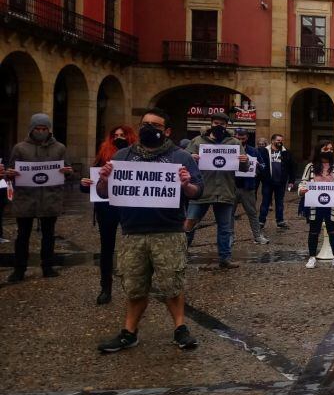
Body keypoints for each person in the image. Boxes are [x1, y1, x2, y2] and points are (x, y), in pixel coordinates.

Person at [95, 108, 204, 353]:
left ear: (166, 131)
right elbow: (103, 193)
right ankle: (129, 332)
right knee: (134, 286)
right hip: (133, 232)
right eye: (145, 124)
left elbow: (199, 191)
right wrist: (104, 179)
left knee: (172, 284)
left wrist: (186, 185)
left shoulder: (180, 157)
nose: (149, 128)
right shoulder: (122, 156)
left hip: (168, 231)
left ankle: (180, 328)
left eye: (155, 125)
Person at [3, 113, 74, 282]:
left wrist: (68, 172)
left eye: (44, 128)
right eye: (37, 128)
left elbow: (69, 171)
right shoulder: (19, 148)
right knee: (22, 236)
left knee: (48, 235)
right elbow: (10, 172)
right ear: (32, 129)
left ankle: (47, 266)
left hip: (50, 198)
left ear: (49, 130)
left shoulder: (60, 148)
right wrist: (10, 174)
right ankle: (19, 269)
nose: (41, 131)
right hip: (25, 199)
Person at [79, 125, 137, 304]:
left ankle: (136, 286)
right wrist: (84, 184)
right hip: (106, 207)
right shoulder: (103, 155)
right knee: (106, 248)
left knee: (135, 247)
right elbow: (93, 179)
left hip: (129, 207)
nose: (119, 138)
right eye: (116, 136)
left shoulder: (137, 156)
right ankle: (105, 287)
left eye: (123, 135)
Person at [184, 112, 249, 269]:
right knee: (189, 225)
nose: (219, 126)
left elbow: (244, 167)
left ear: (227, 126)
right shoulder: (197, 141)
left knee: (225, 228)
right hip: (201, 191)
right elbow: (183, 161)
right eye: (216, 123)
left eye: (222, 124)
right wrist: (190, 157)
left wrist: (244, 161)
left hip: (225, 191)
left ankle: (225, 258)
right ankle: (179, 254)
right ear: (211, 123)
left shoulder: (234, 142)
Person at [298, 149, 334, 269]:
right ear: (319, 150)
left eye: (331, 148)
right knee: (314, 230)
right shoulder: (310, 166)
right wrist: (301, 190)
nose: (329, 151)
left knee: (333, 230)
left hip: (332, 203)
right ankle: (312, 257)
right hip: (315, 203)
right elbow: (303, 182)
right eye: (326, 148)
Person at [232, 128, 270, 245]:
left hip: (248, 187)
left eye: (243, 139)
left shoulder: (253, 151)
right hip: (231, 186)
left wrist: (258, 165)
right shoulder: (229, 150)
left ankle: (257, 236)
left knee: (252, 213)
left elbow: (263, 166)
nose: (240, 141)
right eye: (238, 138)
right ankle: (230, 236)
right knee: (229, 214)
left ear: (247, 138)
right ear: (234, 137)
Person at [257, 133, 295, 230]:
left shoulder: (286, 152)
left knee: (280, 202)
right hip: (268, 182)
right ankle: (261, 221)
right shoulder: (264, 151)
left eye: (281, 140)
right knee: (265, 202)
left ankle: (280, 221)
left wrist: (291, 181)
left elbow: (292, 167)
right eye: (278, 140)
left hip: (281, 182)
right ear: (272, 141)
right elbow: (259, 165)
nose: (280, 142)